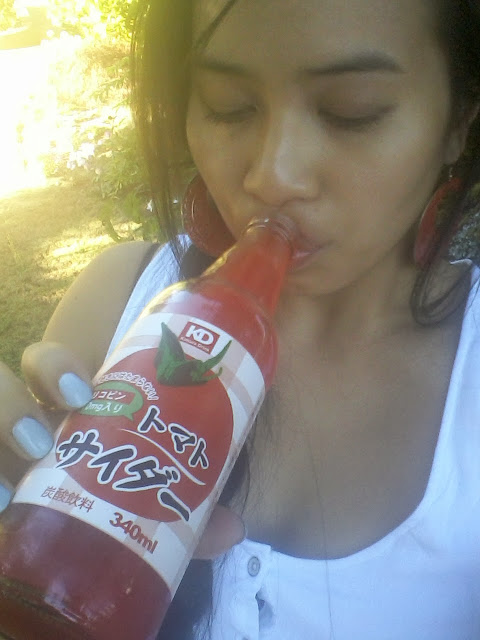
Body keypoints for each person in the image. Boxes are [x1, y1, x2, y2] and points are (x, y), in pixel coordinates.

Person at [1, 0, 480, 638]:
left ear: (458, 119)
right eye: (227, 105)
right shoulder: (118, 301)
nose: (273, 176)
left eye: (353, 111)